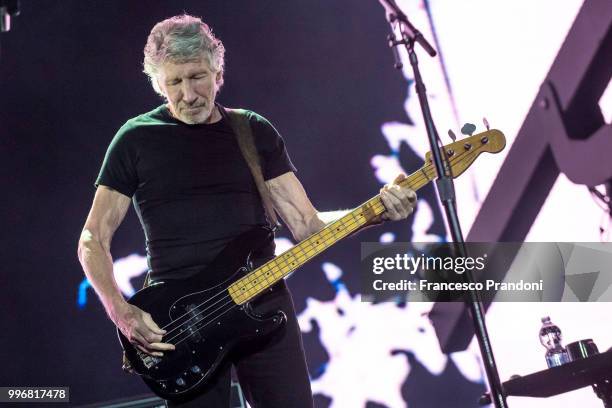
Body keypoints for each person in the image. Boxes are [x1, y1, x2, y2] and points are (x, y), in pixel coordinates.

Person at [77, 14, 417, 408]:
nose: (188, 93)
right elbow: (92, 239)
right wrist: (122, 312)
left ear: (218, 73)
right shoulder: (135, 139)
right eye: (175, 82)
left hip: (263, 299)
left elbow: (307, 225)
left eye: (197, 76)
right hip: (182, 321)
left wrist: (376, 211)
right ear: (158, 84)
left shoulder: (252, 130)